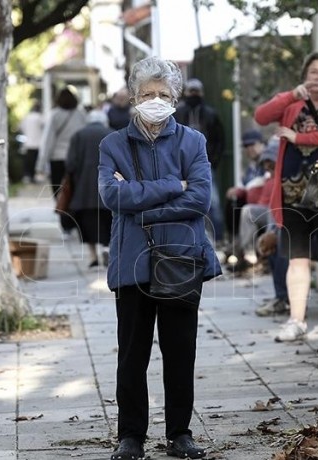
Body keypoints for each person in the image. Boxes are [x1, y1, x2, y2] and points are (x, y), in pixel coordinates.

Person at [98, 56, 222, 460]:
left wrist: (143, 206)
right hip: (131, 260)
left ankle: (179, 434)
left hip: (180, 258)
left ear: (176, 98)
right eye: (148, 94)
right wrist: (173, 184)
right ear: (134, 97)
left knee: (180, 350)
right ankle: (130, 437)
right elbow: (111, 196)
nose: (155, 100)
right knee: (132, 353)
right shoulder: (112, 144)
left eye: (163, 94)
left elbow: (199, 198)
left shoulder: (193, 141)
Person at [254, 51, 318, 342]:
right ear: (305, 76)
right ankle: (297, 320)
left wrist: (299, 138)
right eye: (313, 72)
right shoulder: (292, 104)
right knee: (297, 260)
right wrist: (288, 96)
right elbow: (261, 116)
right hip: (292, 194)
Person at [174, 78, 226, 243]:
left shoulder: (211, 114)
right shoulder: (177, 113)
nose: (194, 94)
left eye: (196, 91)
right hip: (182, 166)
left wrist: (214, 160)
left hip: (205, 164)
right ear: (186, 93)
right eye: (191, 91)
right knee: (180, 201)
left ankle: (218, 239)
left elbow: (220, 140)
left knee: (213, 203)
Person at [66, 109, 114, 267]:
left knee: (87, 222)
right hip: (107, 186)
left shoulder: (78, 135)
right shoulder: (112, 134)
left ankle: (93, 256)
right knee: (108, 221)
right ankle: (107, 248)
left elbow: (71, 163)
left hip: (84, 188)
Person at [224, 129, 266, 272]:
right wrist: (237, 190)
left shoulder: (268, 160)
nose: (250, 149)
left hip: (268, 207)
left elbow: (261, 184)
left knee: (247, 211)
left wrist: (242, 190)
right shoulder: (251, 167)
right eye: (246, 147)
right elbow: (243, 186)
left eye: (252, 145)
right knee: (232, 203)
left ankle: (248, 255)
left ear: (261, 144)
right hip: (254, 205)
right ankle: (235, 246)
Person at [39, 87, 87, 195]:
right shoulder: (81, 115)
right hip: (76, 158)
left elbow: (48, 140)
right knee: (75, 189)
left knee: (58, 190)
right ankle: (73, 210)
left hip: (57, 158)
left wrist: (41, 164)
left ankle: (61, 209)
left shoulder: (55, 115)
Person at [18, 102, 44, 183]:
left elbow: (21, 128)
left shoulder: (27, 117)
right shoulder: (40, 118)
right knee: (35, 161)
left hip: (28, 143)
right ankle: (33, 176)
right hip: (37, 143)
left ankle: (27, 176)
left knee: (28, 161)